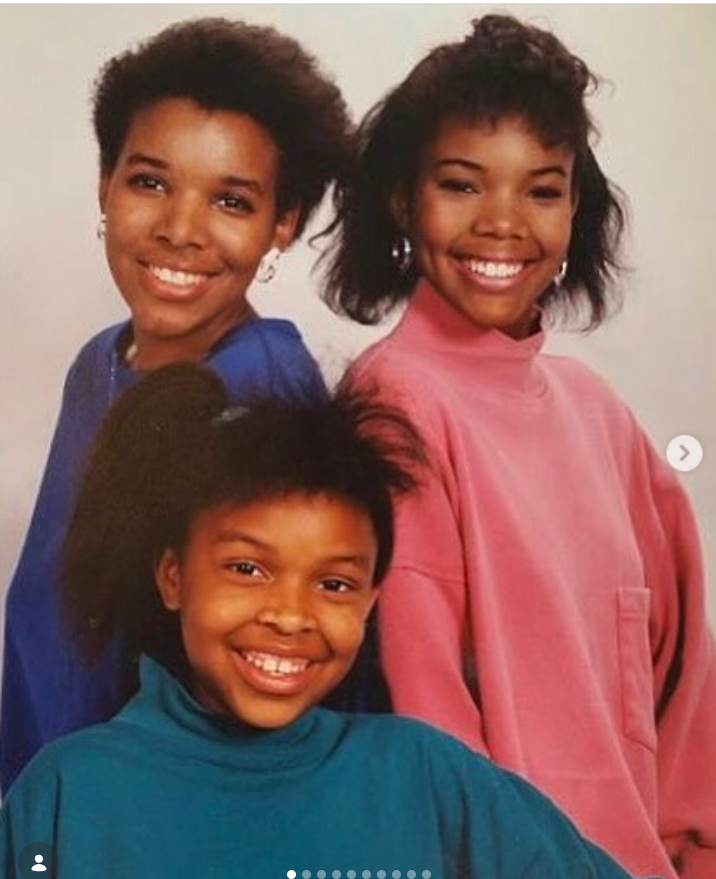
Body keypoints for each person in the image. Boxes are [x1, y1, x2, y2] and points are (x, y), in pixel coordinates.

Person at [322, 14, 716, 879]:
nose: (503, 223)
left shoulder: (601, 414)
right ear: (402, 195)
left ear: (577, 207)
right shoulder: (397, 401)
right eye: (463, 185)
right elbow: (427, 716)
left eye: (541, 190)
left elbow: (684, 682)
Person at [0, 364, 644, 879]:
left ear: (368, 602)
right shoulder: (66, 796)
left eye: (334, 584)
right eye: (247, 570)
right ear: (173, 577)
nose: (290, 615)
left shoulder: (427, 776)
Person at [0, 17, 353, 793]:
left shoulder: (265, 399)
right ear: (105, 182)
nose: (180, 230)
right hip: (38, 790)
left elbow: (270, 677)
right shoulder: (99, 364)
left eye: (231, 200)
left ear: (281, 224)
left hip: (146, 817)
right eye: (150, 181)